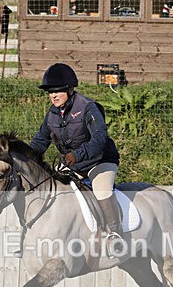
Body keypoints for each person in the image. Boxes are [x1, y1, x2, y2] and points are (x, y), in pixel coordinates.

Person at [29, 63, 125, 254]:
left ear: (69, 89)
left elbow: (100, 139)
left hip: (101, 161)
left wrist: (77, 155)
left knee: (101, 189)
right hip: (74, 164)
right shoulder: (52, 115)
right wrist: (22, 158)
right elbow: (40, 142)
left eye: (58, 91)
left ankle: (115, 235)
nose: (53, 95)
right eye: (50, 92)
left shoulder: (88, 107)